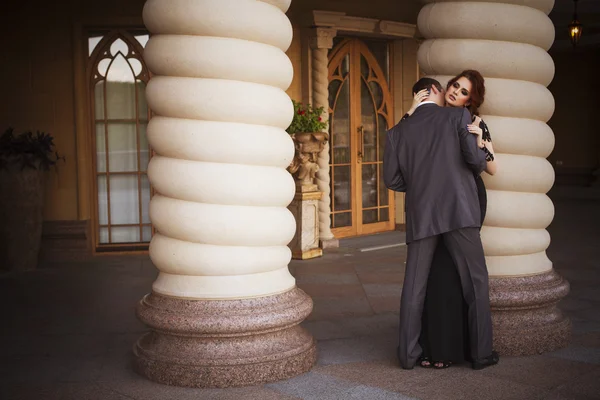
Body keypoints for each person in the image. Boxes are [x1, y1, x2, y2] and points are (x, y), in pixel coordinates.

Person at [383, 77, 499, 371]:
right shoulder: (457, 116)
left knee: (414, 286)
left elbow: (392, 180)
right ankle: (482, 353)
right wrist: (479, 142)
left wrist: (423, 186)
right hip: (459, 210)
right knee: (476, 282)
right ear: (435, 90)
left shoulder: (399, 131)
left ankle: (408, 356)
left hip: (422, 214)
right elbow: (475, 162)